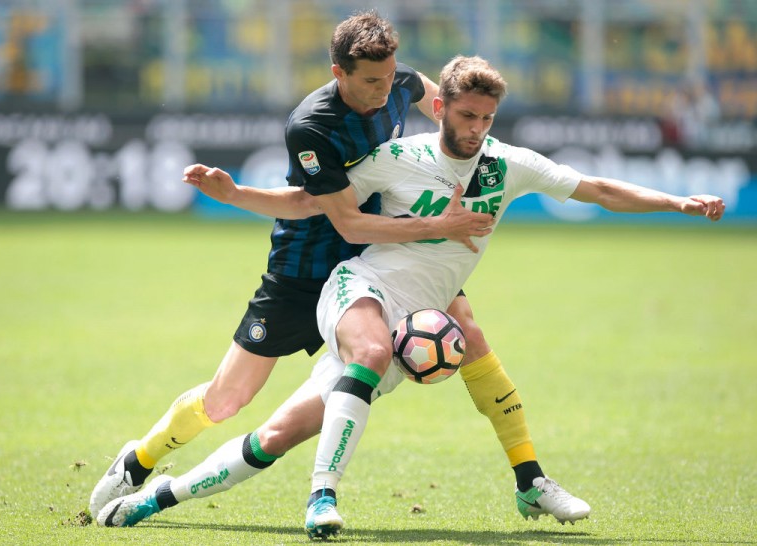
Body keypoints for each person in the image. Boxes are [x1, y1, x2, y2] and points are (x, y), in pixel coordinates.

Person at [95, 55, 723, 534]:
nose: (476, 129)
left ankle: (155, 499)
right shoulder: (397, 156)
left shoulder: (508, 164)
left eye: (487, 119)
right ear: (440, 108)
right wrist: (236, 195)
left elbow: (599, 189)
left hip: (419, 314)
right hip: (359, 285)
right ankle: (322, 496)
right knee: (350, 358)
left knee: (275, 436)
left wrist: (678, 202)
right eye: (467, 116)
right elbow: (313, 203)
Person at [91, 10, 557, 524]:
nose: (385, 89)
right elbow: (330, 214)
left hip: (384, 260)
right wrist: (236, 194)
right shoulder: (311, 125)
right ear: (340, 73)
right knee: (227, 400)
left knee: (468, 330)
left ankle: (530, 478)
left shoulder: (400, 82)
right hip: (306, 265)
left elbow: (451, 120)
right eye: (371, 81)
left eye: (390, 75)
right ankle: (141, 459)